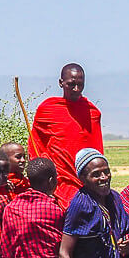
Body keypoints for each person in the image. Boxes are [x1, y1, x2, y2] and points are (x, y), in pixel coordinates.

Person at [28, 63, 103, 208]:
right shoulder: (47, 110)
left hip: (85, 179)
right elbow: (36, 146)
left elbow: (97, 150)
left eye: (80, 85)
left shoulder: (92, 112)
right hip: (58, 181)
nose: (76, 89)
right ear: (61, 83)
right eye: (71, 84)